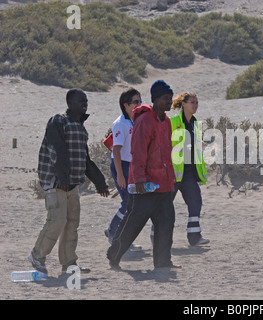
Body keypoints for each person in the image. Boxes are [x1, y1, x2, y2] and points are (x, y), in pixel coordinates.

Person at [29, 89, 110, 274]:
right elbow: (57, 150)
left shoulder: (80, 127)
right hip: (55, 181)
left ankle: (69, 263)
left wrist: (100, 183)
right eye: (81, 100)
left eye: (87, 100)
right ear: (70, 103)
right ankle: (37, 255)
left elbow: (85, 159)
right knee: (56, 220)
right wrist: (62, 178)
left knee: (72, 223)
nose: (85, 103)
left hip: (71, 184)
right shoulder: (58, 121)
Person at [107, 80, 180, 270]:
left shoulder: (167, 122)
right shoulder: (144, 120)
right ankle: (114, 256)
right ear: (155, 100)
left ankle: (163, 262)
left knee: (166, 222)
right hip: (145, 185)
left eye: (170, 99)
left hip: (163, 184)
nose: (169, 103)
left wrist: (170, 179)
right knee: (133, 224)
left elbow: (166, 153)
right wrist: (138, 179)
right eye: (165, 99)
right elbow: (138, 152)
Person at [104, 88, 142, 251]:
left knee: (134, 204)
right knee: (128, 203)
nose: (139, 104)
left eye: (140, 101)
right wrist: (120, 175)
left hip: (133, 166)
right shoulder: (121, 123)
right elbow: (116, 150)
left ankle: (122, 236)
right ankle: (113, 232)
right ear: (126, 105)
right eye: (136, 102)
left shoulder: (137, 120)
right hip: (122, 165)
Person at [170, 92, 209, 246]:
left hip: (189, 173)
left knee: (195, 202)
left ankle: (194, 237)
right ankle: (157, 236)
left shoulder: (195, 123)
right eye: (192, 102)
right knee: (164, 206)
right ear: (183, 104)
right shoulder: (172, 122)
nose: (195, 105)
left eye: (197, 102)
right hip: (172, 172)